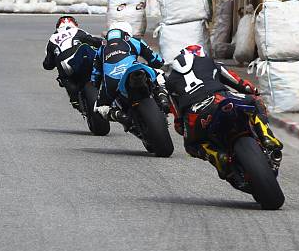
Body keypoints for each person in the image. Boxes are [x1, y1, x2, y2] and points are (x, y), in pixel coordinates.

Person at [165, 44, 281, 178]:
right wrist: (254, 90)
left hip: (196, 115)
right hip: (220, 99)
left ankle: (216, 155)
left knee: (191, 146)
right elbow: (240, 84)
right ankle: (267, 136)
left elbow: (178, 122)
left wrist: (185, 129)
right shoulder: (211, 63)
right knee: (255, 101)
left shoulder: (170, 82)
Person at [91, 21, 166, 125]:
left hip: (111, 82)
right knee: (160, 73)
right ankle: (163, 97)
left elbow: (95, 75)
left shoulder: (102, 48)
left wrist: (96, 84)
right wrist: (151, 64)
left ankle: (118, 115)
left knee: (98, 109)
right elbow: (157, 61)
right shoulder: (133, 41)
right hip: (134, 71)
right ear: (128, 33)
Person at [42, 16, 103, 109]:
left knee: (64, 77)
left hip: (65, 65)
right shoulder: (77, 31)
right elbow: (95, 41)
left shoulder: (52, 38)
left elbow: (47, 65)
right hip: (80, 60)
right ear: (75, 24)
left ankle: (74, 100)